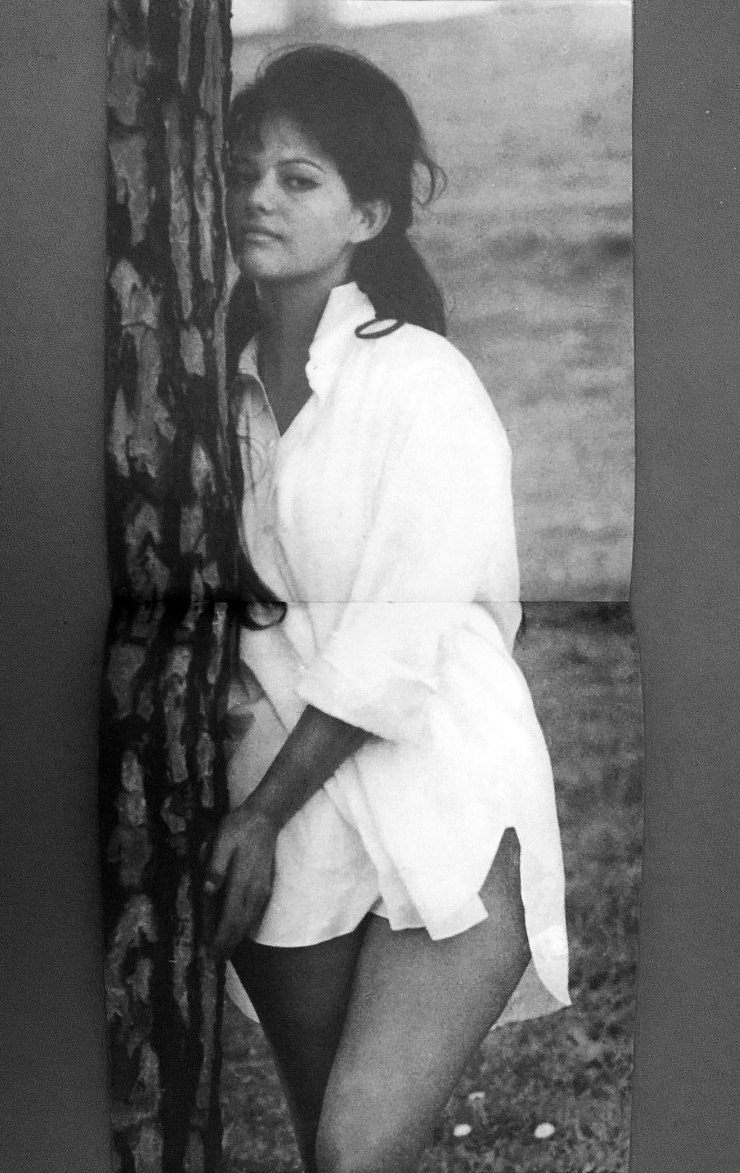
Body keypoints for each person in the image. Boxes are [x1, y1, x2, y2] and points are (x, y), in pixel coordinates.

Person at [204, 44, 570, 1173]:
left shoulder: (419, 382)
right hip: (290, 820)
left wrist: (258, 816)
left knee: (356, 1153)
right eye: (241, 173)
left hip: (440, 790)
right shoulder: (202, 395)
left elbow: (401, 639)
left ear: (366, 215)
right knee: (341, 1149)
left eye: (297, 179)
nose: (258, 198)